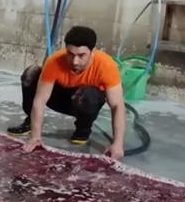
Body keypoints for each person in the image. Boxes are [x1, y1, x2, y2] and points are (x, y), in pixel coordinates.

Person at [7, 26, 126, 160]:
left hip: (85, 103)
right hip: (61, 99)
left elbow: (118, 106)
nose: (75, 61)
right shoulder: (54, 61)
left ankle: (83, 129)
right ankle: (30, 122)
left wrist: (118, 144)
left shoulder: (107, 66)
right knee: (31, 73)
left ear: (93, 52)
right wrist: (35, 137)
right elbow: (40, 100)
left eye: (81, 55)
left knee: (89, 94)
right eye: (70, 54)